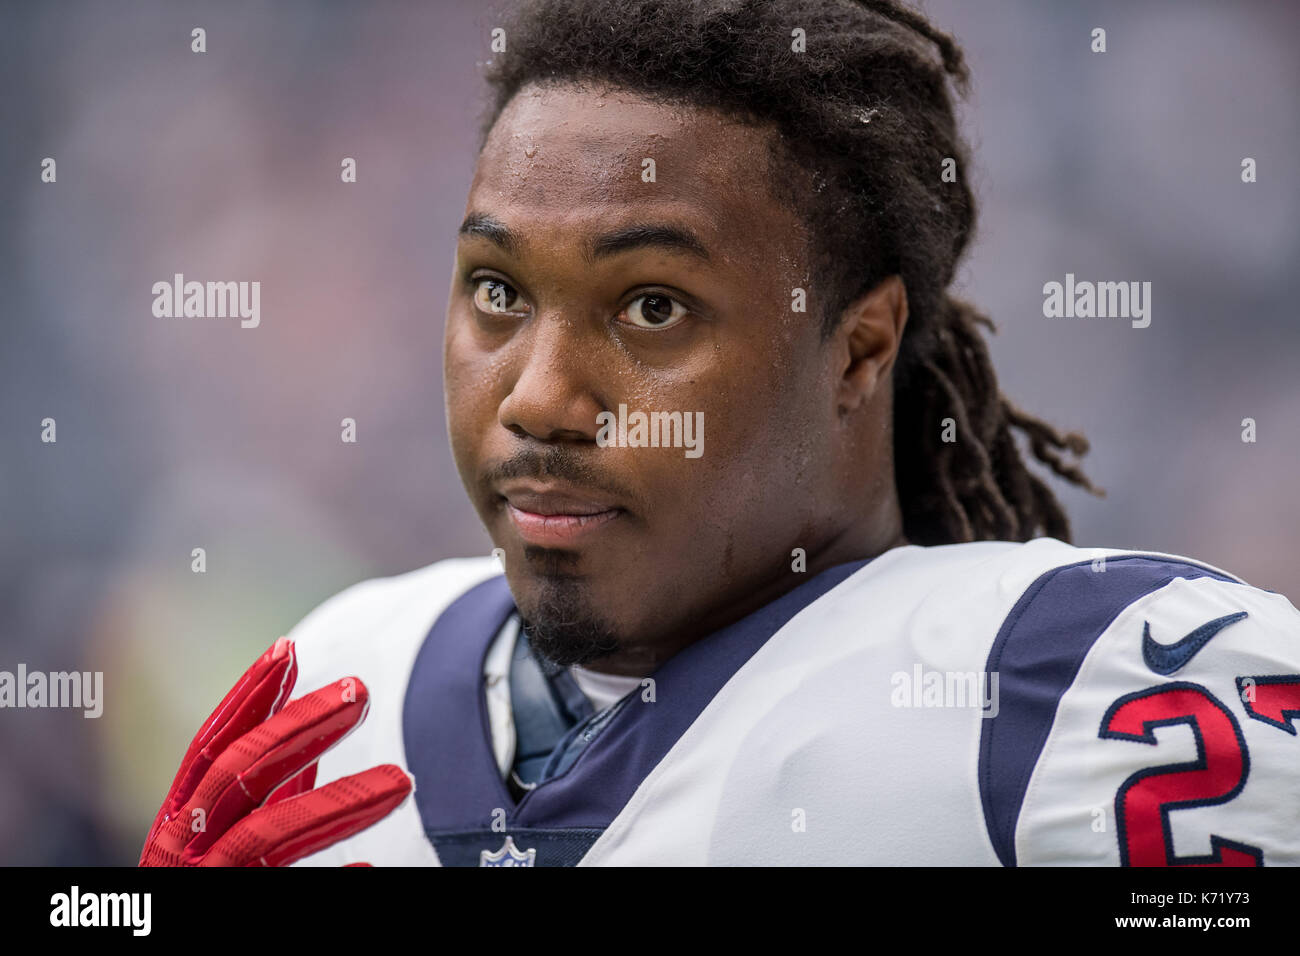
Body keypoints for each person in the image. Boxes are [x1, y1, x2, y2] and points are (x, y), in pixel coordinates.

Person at [139, 0, 1300, 867]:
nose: (539, 395)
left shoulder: (1076, 678)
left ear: (857, 348)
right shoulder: (340, 679)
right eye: (497, 289)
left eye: (652, 306)